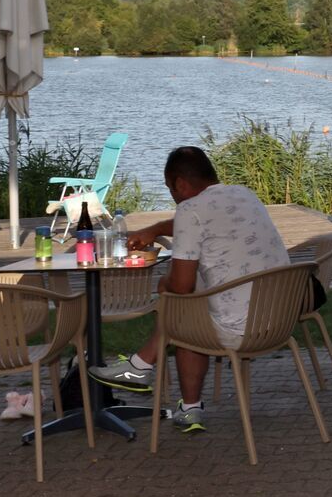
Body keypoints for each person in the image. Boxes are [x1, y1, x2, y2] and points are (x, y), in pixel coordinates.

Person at [89, 146, 289, 434]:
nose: (172, 195)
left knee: (179, 305)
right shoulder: (244, 194)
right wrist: (157, 227)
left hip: (240, 328)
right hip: (280, 318)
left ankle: (140, 366)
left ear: (180, 184)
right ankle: (187, 408)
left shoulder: (189, 210)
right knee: (191, 310)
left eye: (170, 188)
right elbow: (204, 222)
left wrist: (164, 284)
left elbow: (180, 286)